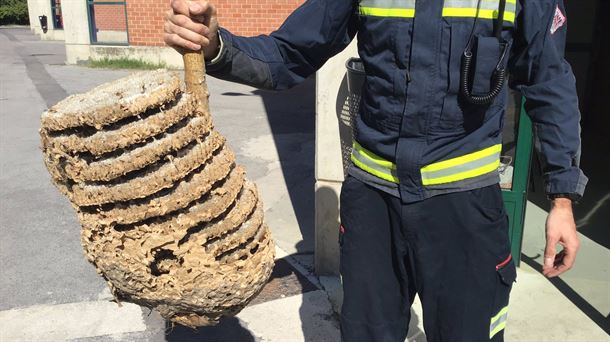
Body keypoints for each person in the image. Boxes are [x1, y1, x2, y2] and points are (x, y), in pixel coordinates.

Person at [163, 0, 587, 340]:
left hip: (465, 214)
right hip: (374, 209)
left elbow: (549, 83)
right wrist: (215, 45)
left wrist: (562, 198)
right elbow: (289, 54)